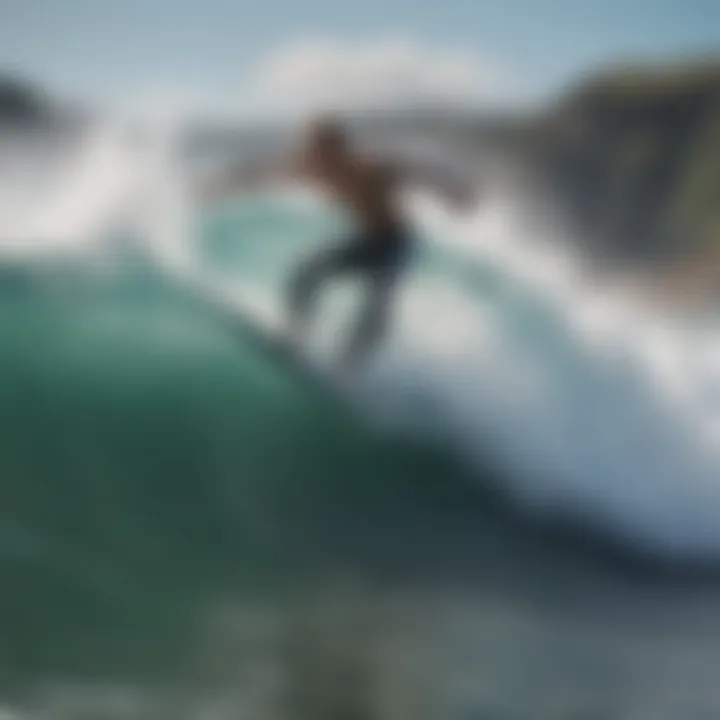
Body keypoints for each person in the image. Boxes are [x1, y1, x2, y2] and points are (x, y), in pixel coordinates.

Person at [202, 115, 480, 374]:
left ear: (339, 149)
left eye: (322, 150)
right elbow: (261, 173)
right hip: (368, 239)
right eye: (312, 149)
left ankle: (349, 369)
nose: (316, 157)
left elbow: (414, 170)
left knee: (374, 306)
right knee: (307, 273)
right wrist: (220, 187)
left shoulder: (368, 167)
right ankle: (294, 339)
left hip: (395, 243)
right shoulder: (310, 168)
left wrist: (453, 190)